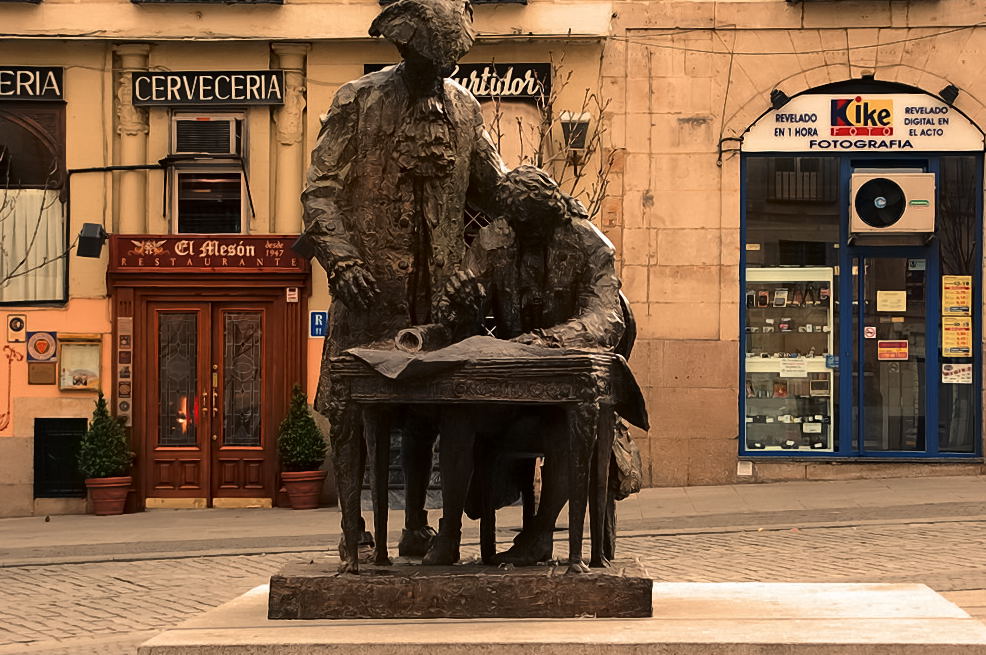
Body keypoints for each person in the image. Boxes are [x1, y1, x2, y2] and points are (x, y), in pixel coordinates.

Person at [300, 0, 505, 571]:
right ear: (406, 47)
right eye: (436, 58)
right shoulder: (358, 100)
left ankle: (417, 525)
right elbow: (320, 193)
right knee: (352, 412)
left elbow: (500, 196)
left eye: (453, 60)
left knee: (429, 413)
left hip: (438, 297)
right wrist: (341, 263)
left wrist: (477, 264)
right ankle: (352, 531)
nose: (446, 71)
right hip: (367, 290)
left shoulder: (466, 111)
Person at [435, 165, 637, 566]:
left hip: (560, 396)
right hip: (507, 391)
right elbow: (459, 316)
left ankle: (540, 533)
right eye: (515, 226)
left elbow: (607, 318)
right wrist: (459, 303)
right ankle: (450, 533)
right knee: (456, 416)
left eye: (530, 229)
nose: (520, 236)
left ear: (552, 217)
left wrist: (546, 342)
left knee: (571, 431)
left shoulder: (589, 245)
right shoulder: (495, 239)